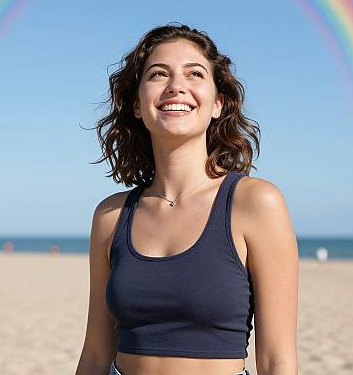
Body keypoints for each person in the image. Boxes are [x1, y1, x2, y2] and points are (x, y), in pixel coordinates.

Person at [74, 24, 298, 375]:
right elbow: (95, 354)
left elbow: (277, 361)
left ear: (217, 104)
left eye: (195, 74)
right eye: (158, 74)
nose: (176, 86)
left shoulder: (255, 203)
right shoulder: (111, 215)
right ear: (137, 105)